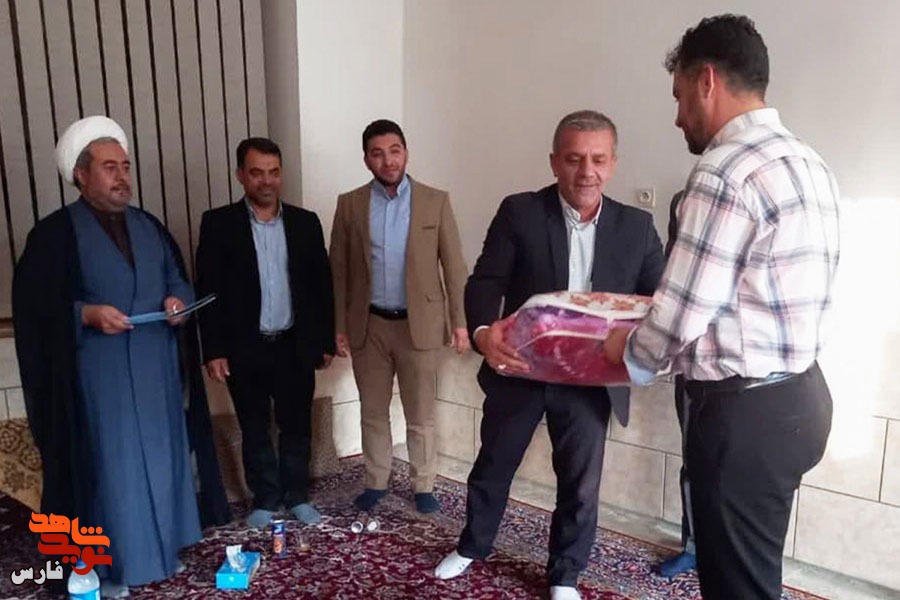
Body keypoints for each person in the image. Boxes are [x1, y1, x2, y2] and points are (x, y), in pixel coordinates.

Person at [604, 15, 840, 599]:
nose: (678, 116)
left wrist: (626, 352)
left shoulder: (724, 170)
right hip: (801, 398)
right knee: (755, 569)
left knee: (737, 587)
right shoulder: (807, 161)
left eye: (679, 96)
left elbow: (680, 315)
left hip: (744, 416)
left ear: (706, 81)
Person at [435, 110, 666, 600]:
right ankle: (473, 545)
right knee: (494, 465)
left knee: (580, 485)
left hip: (590, 381)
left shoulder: (637, 227)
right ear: (555, 162)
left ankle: (564, 575)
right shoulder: (519, 212)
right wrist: (483, 334)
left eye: (598, 159)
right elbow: (486, 280)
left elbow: (658, 303)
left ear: (613, 163)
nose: (587, 171)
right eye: (574, 159)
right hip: (520, 368)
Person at [12, 116, 229, 598]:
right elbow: (36, 308)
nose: (122, 176)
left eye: (125, 166)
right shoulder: (54, 236)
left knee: (163, 463)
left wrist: (177, 301)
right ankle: (109, 569)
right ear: (81, 175)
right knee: (115, 473)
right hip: (98, 377)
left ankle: (164, 550)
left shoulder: (148, 226)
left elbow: (177, 278)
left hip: (156, 370)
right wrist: (86, 313)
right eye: (110, 167)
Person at [329, 119, 469, 514]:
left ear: (406, 152)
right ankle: (376, 481)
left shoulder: (434, 200)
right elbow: (338, 269)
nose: (388, 160)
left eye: (394, 151)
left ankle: (423, 484)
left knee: (420, 413)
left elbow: (454, 266)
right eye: (377, 153)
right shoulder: (350, 204)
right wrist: (338, 326)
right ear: (366, 160)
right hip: (369, 324)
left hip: (419, 325)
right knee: (372, 411)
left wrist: (460, 322)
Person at [196, 137, 335, 528]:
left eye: (273, 172)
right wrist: (214, 350)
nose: (267, 181)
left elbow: (322, 286)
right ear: (241, 175)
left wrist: (324, 340)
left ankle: (298, 496)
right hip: (245, 346)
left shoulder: (306, 223)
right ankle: (266, 499)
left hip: (294, 344)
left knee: (297, 426)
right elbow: (207, 289)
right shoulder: (218, 224)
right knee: (254, 427)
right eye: (257, 173)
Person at [656, 190, 697, 579]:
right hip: (692, 368)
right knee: (693, 459)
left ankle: (730, 550)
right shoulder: (683, 204)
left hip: (750, 373)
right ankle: (693, 546)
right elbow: (669, 286)